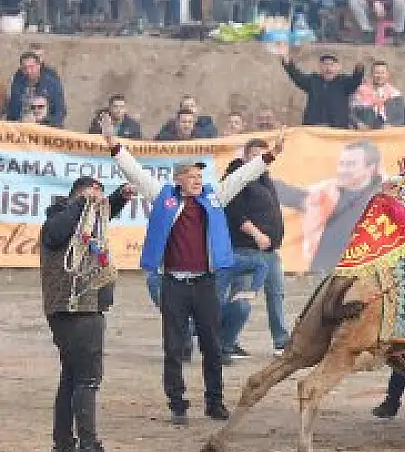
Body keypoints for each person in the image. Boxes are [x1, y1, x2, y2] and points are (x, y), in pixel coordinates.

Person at [99, 113, 285, 425]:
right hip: (173, 283)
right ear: (178, 181)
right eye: (192, 177)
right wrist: (112, 142)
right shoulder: (162, 198)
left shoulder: (214, 197)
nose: (198, 181)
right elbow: (134, 170)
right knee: (173, 347)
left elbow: (240, 178)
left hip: (205, 283)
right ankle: (177, 404)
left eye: (200, 177)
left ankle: (215, 402)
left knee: (211, 346)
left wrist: (269, 156)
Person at [40, 176, 134, 452]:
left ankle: (64, 442)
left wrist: (118, 198)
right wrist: (84, 201)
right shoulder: (60, 219)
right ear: (80, 197)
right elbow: (56, 232)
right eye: (94, 197)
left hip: (78, 309)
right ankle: (88, 443)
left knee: (71, 377)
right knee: (87, 380)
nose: (98, 204)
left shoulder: (83, 221)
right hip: (76, 309)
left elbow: (99, 216)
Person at [220, 139, 289, 359]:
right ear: (245, 157)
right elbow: (235, 213)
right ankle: (228, 341)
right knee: (242, 298)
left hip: (270, 251)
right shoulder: (236, 178)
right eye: (255, 155)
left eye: (263, 155)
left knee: (276, 294)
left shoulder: (264, 178)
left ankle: (281, 341)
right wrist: (257, 234)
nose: (260, 160)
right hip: (246, 249)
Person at [275, 141, 384, 273]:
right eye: (341, 164)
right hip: (320, 275)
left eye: (350, 165)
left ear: (370, 168)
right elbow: (286, 193)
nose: (342, 170)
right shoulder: (325, 193)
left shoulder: (384, 200)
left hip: (362, 275)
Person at [282, 52, 366, 128]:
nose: (328, 68)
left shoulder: (344, 82)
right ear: (320, 67)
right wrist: (286, 60)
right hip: (313, 129)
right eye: (325, 64)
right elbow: (296, 76)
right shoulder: (313, 81)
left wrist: (359, 67)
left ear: (338, 67)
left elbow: (356, 79)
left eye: (332, 65)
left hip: (337, 130)